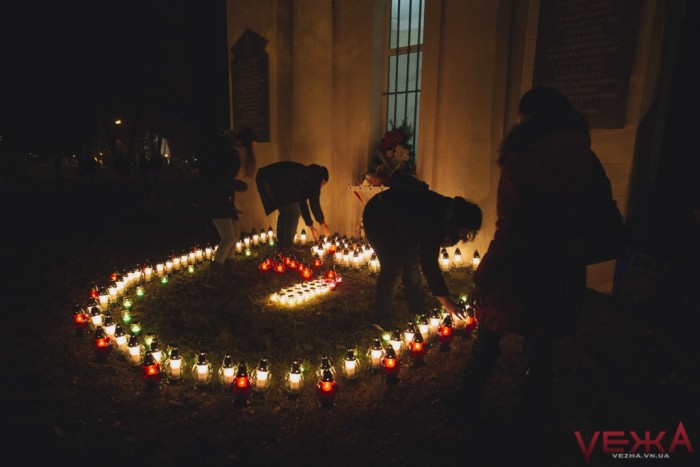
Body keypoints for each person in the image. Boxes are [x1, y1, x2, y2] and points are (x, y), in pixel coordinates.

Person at [453, 87, 623, 433]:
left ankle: (467, 405)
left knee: (488, 335)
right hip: (560, 268)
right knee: (540, 345)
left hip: (521, 268)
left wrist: (483, 278)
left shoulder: (523, 159)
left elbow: (510, 229)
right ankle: (531, 417)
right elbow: (603, 214)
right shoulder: (586, 158)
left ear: (530, 119)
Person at [362, 172, 482, 331]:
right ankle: (381, 318)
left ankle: (417, 306)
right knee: (394, 265)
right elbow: (429, 263)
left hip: (402, 223)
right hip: (378, 216)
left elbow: (421, 257)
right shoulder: (437, 218)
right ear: (460, 222)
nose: (464, 236)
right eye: (465, 231)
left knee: (410, 260)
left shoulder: (447, 211)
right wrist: (446, 302)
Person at [196, 127, 257, 289]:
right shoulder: (231, 155)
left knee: (235, 234)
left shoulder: (228, 152)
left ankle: (229, 270)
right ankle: (213, 278)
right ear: (247, 143)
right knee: (228, 237)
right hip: (213, 197)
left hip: (220, 197)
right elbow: (218, 179)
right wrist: (237, 185)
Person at [255, 162, 331, 252]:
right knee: (293, 213)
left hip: (274, 183)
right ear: (322, 179)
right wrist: (322, 223)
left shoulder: (306, 176)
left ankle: (281, 245)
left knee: (285, 214)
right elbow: (314, 202)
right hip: (282, 184)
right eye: (322, 184)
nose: (321, 187)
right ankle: (287, 247)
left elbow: (302, 204)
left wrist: (311, 226)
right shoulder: (316, 175)